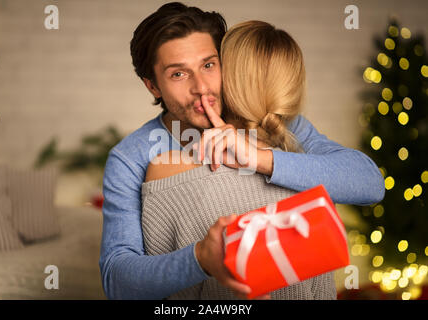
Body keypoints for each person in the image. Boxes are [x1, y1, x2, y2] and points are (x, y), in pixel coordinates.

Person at [99, 2, 384, 300]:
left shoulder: (272, 121)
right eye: (178, 75)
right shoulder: (132, 157)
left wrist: (260, 158)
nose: (201, 88)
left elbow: (369, 183)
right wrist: (199, 259)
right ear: (153, 86)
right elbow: (118, 282)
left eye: (209, 65)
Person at [141, 20, 337, 300]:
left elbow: (157, 292)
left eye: (211, 66)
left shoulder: (164, 169)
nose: (202, 86)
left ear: (230, 80)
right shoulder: (312, 174)